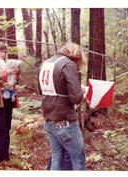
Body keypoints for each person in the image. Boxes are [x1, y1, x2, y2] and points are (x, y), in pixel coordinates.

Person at [38, 42, 87, 170]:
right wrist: (84, 94)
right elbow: (76, 98)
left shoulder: (46, 63)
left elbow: (43, 90)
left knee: (56, 157)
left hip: (48, 119)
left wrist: (76, 88)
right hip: (65, 121)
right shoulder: (68, 64)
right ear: (77, 56)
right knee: (78, 160)